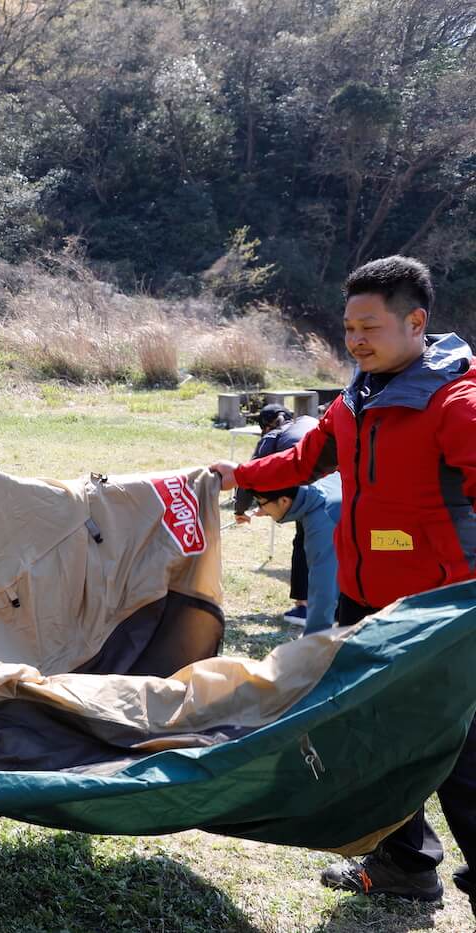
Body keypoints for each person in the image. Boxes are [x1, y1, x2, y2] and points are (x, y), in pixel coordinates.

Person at [210, 256, 475, 913]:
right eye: (348, 326)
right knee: (376, 738)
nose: (355, 338)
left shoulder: (457, 403)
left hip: (440, 614)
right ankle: (404, 866)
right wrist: (239, 477)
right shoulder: (359, 396)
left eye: (369, 326)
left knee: (461, 761)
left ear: (416, 322)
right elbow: (306, 457)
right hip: (365, 600)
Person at [233, 403, 328, 626]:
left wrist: (240, 510)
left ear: (264, 426)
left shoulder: (272, 437)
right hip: (337, 482)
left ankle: (304, 607)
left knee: (303, 542)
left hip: (312, 489)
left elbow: (249, 476)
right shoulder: (307, 420)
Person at [240, 473, 342, 636]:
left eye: (262, 503)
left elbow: (324, 589)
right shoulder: (314, 490)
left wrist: (312, 641)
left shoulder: (321, 520)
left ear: (284, 501)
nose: (262, 509)